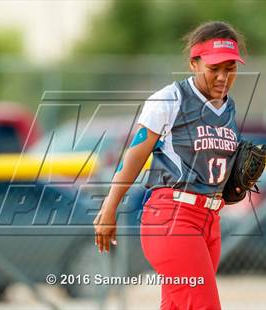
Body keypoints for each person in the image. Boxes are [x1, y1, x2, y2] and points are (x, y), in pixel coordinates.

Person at [94, 20, 246, 310]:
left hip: (209, 222)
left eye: (230, 68)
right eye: (214, 68)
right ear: (194, 63)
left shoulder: (228, 106)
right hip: (172, 219)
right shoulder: (170, 99)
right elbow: (135, 156)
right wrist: (109, 208)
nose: (223, 77)